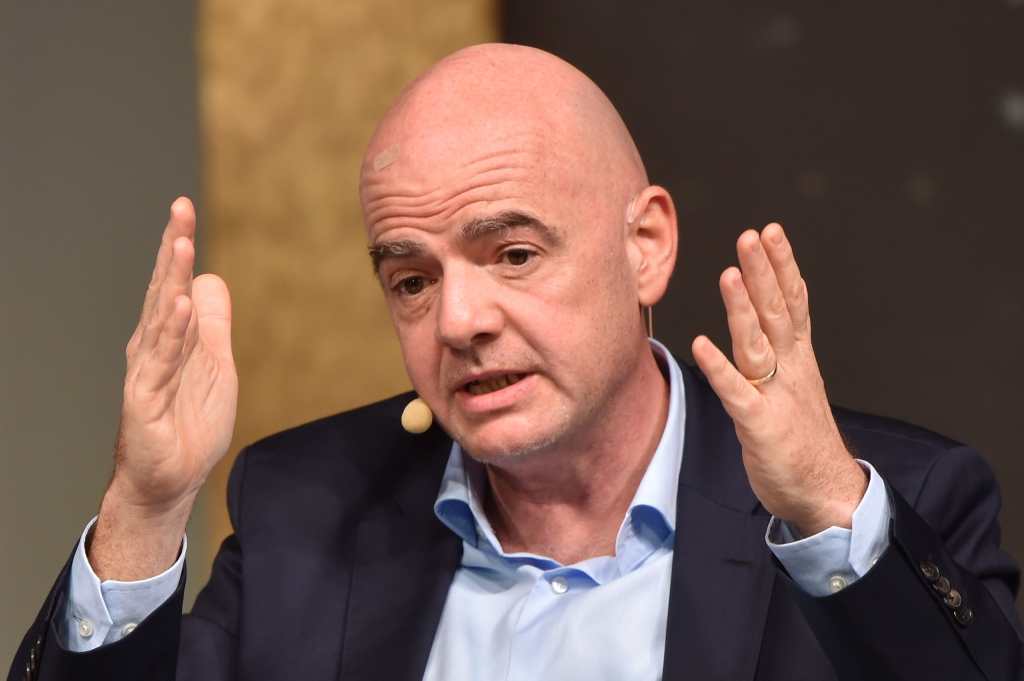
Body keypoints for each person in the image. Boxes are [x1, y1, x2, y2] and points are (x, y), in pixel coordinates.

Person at [9, 43, 1022, 681]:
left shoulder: (875, 506)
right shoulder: (305, 511)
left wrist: (826, 515)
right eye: (412, 279)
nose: (457, 321)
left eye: (514, 256)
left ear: (645, 246)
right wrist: (145, 509)